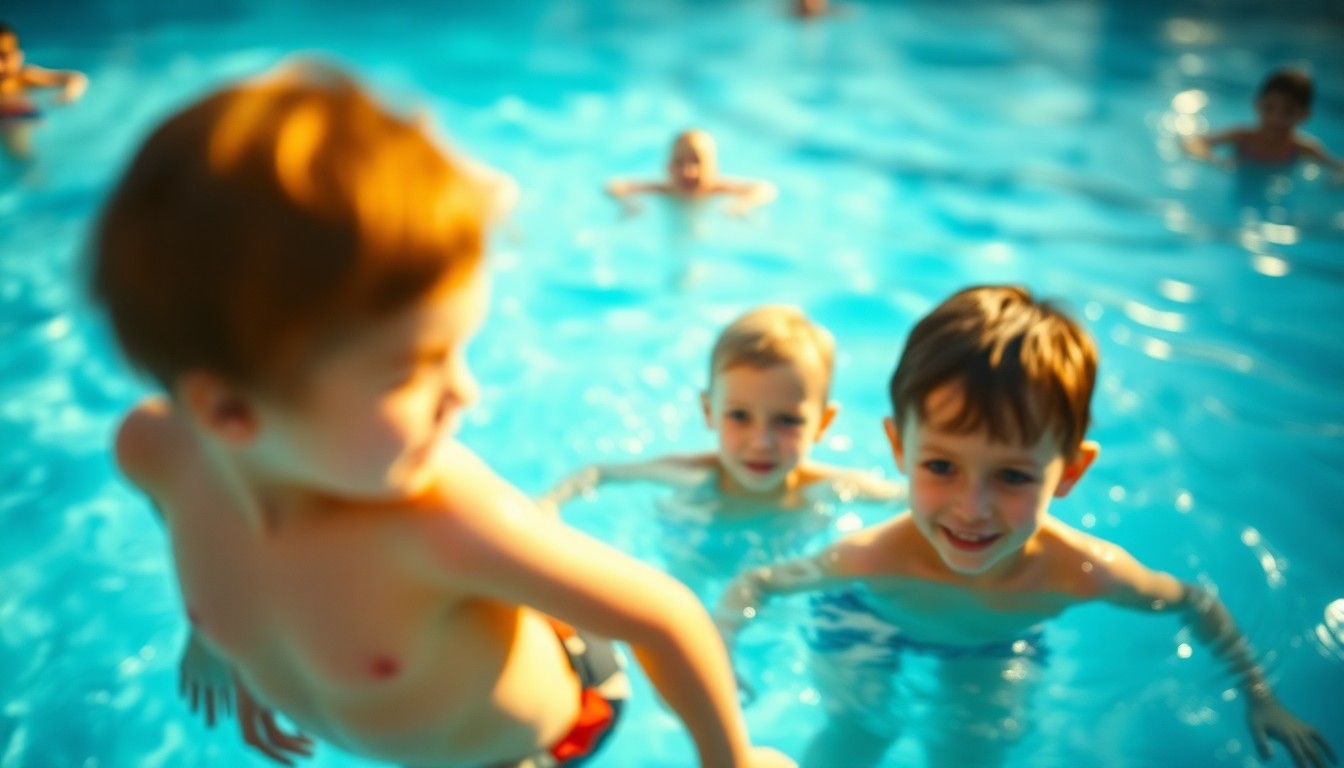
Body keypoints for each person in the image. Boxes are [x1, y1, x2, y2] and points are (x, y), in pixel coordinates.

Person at [92, 61, 793, 768]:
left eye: (456, 352)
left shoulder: (441, 521)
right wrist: (223, 637)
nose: (466, 393)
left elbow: (668, 618)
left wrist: (728, 761)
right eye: (414, 371)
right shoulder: (155, 452)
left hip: (550, 736)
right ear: (228, 413)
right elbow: (195, 534)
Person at [714, 286, 1335, 768]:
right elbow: (757, 584)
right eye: (940, 467)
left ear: (1069, 471)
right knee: (854, 735)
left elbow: (1196, 603)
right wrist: (724, 648)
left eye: (1012, 477)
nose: (972, 507)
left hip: (994, 643)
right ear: (898, 450)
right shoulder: (871, 558)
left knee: (974, 750)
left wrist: (1261, 695)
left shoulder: (1082, 572)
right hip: (869, 624)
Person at [542, 305, 905, 515]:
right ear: (709, 411)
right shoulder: (691, 476)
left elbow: (907, 500)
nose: (761, 442)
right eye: (739, 416)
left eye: (787, 420)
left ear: (823, 424)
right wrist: (547, 506)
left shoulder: (833, 488)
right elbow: (596, 473)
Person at [1183, 67, 1343, 177]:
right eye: (1269, 108)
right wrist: (1214, 160)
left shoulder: (1305, 148)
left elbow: (1338, 166)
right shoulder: (1242, 137)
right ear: (1257, 105)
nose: (1276, 118)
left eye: (1288, 111)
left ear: (1304, 115)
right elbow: (1195, 142)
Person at [606, 130, 777, 218]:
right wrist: (628, 203)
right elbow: (613, 186)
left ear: (713, 168)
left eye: (697, 162)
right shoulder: (665, 190)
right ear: (668, 167)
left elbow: (766, 189)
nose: (688, 172)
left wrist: (741, 205)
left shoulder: (715, 189)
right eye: (679, 162)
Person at [0, 21, 87, 161]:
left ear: (19, 56)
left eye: (4, 56)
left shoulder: (24, 77)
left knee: (20, 150)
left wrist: (70, 94)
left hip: (21, 119)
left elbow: (74, 78)